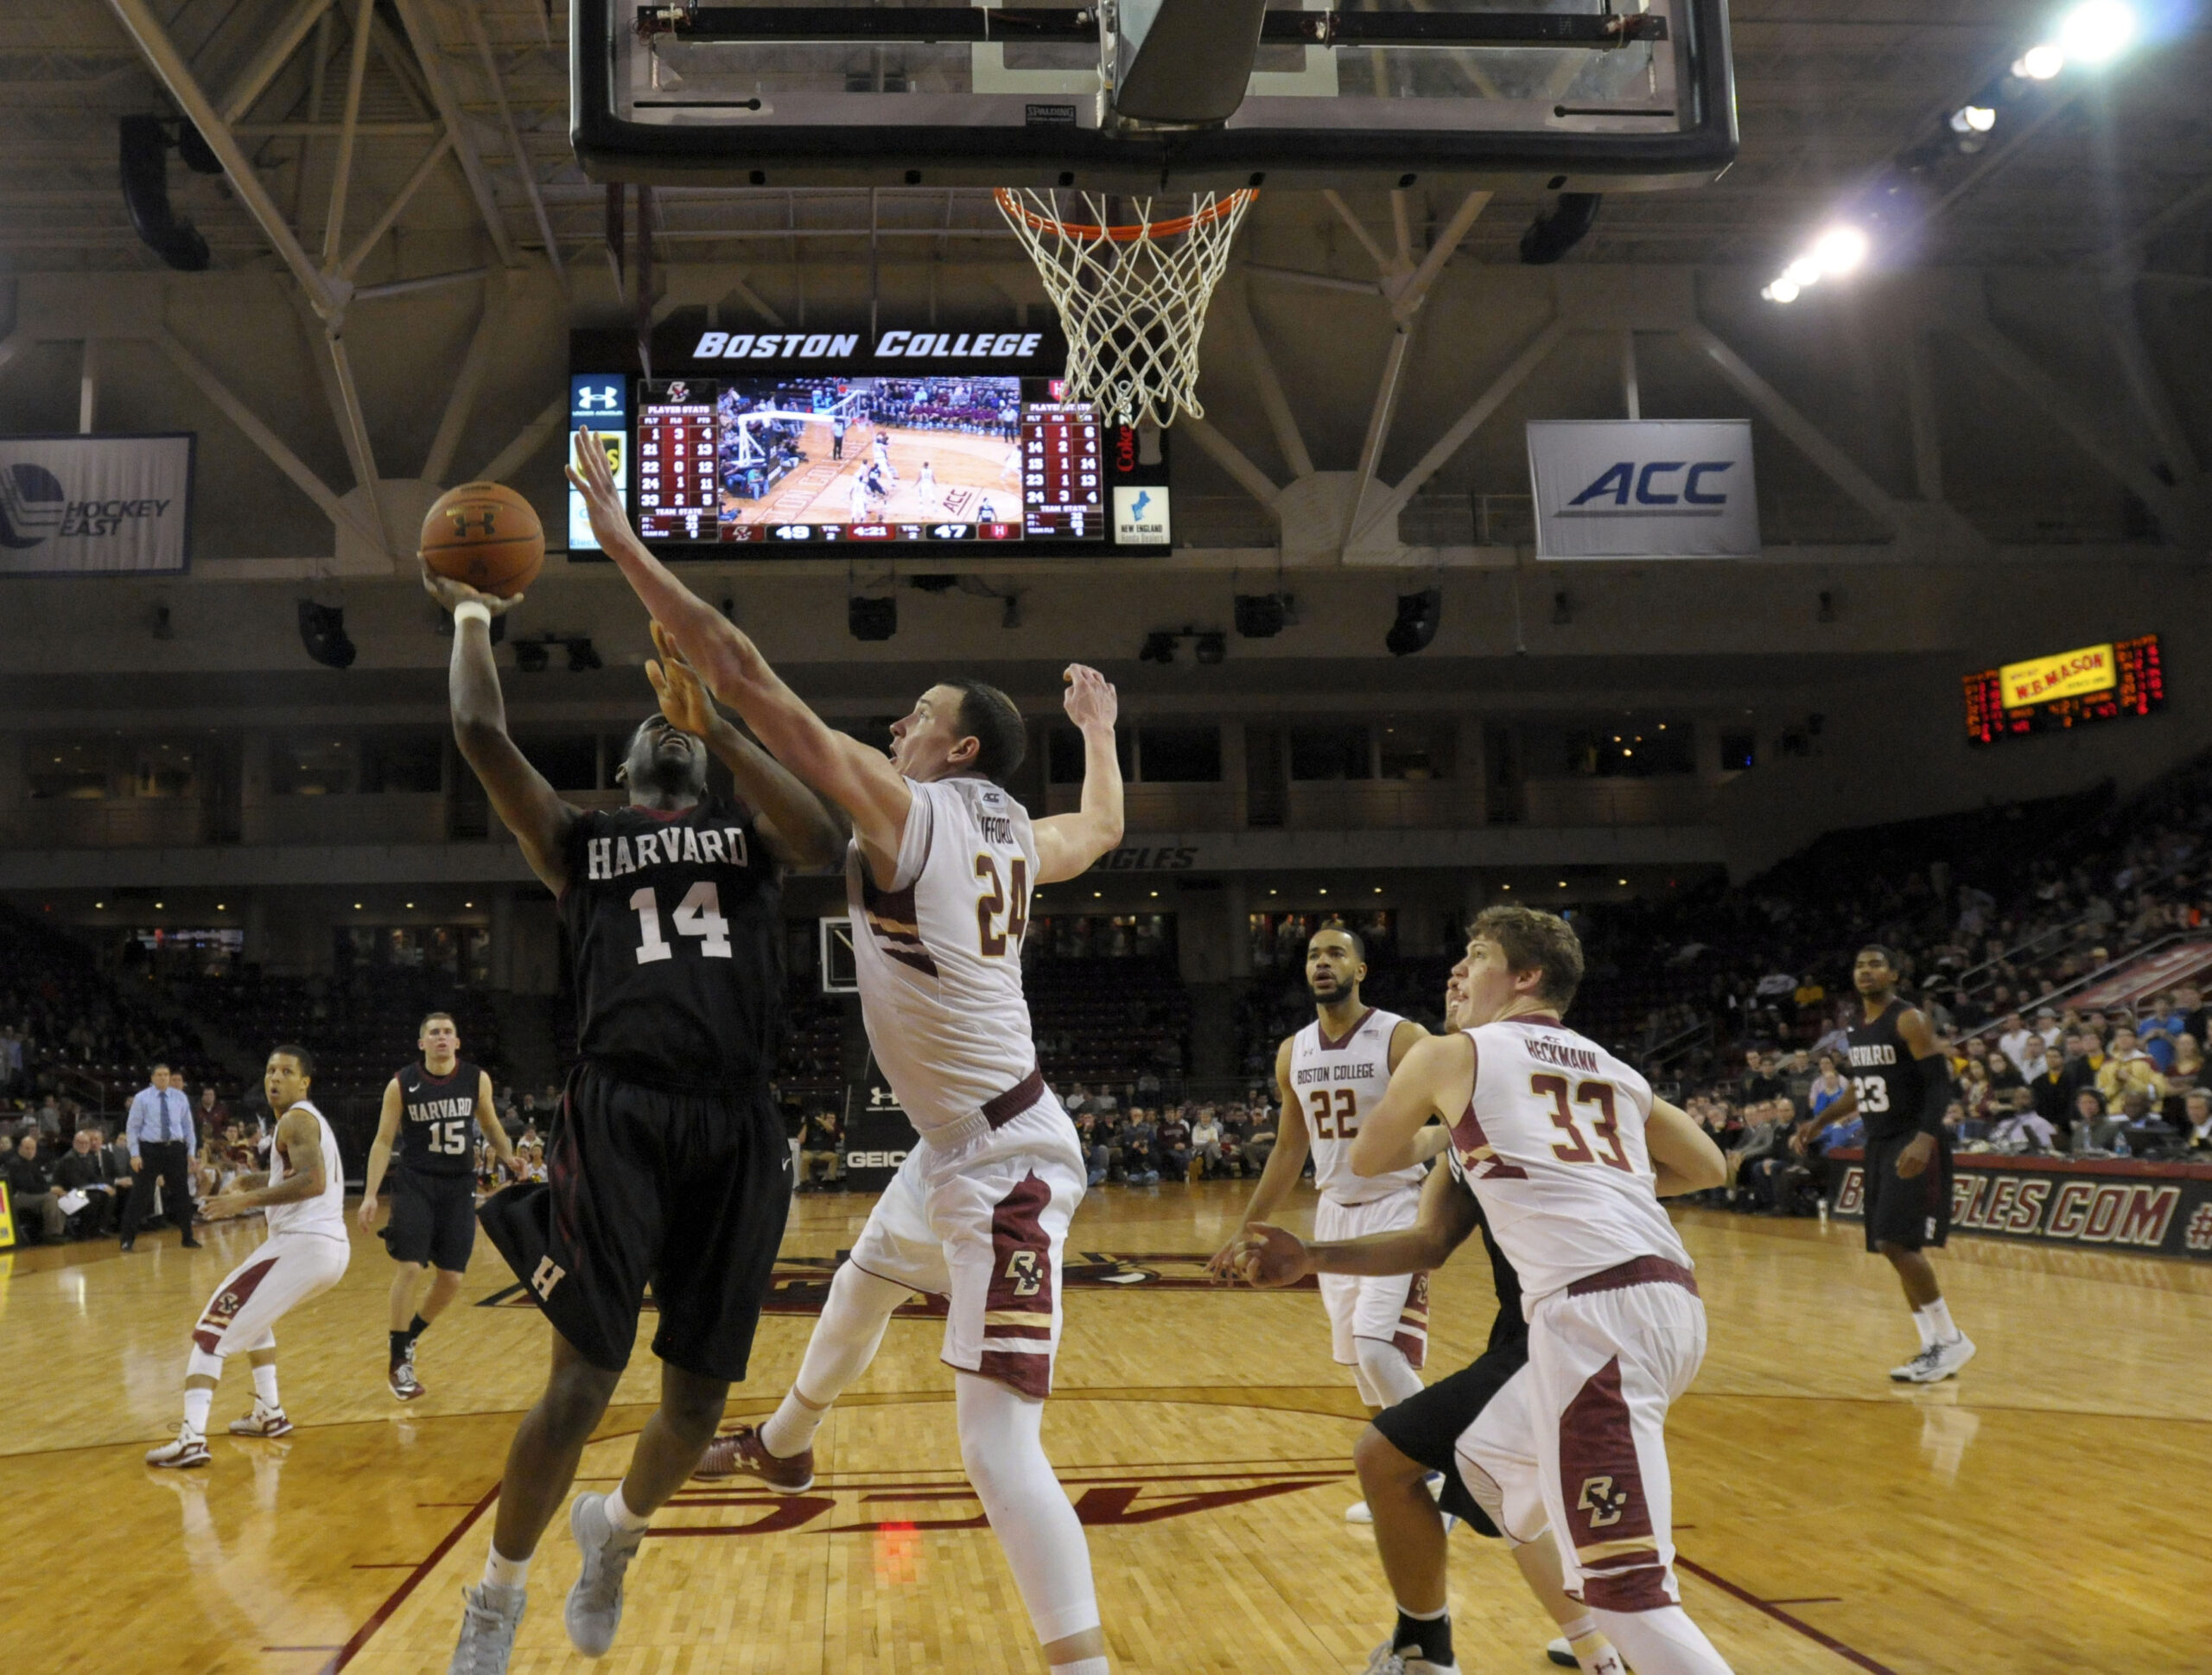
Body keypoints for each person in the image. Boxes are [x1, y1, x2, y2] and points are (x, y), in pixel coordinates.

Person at [572, 424, 1128, 1675]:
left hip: (1011, 1166)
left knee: (995, 1444)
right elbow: (1101, 826)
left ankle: (1082, 1665)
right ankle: (785, 1438)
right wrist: (1098, 726)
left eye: (919, 716)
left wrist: (620, 545)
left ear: (959, 748)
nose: (899, 720)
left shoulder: (913, 807)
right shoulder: (1011, 834)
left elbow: (747, 666)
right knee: (868, 1272)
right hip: (957, 1144)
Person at [426, 551, 842, 1672]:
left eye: (681, 742)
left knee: (701, 1402)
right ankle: (497, 1594)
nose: (664, 743)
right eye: (657, 736)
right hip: (618, 1115)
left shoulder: (753, 841)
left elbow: (829, 840)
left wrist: (721, 726)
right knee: (580, 1384)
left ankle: (616, 1533)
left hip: (737, 1124)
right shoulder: (583, 841)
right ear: (622, 772)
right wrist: (474, 611)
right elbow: (480, 735)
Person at [1349, 907, 1735, 1675]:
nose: (1457, 970)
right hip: (1662, 1298)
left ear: (1525, 978)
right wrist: (1590, 1177)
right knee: (1499, 1480)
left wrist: (1440, 1132)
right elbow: (1709, 1166)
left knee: (1634, 1599)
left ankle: (1605, 1640)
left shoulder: (1452, 1053)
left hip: (1595, 1318)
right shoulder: (1611, 1066)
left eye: (1477, 955)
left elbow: (1369, 1156)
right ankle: (1563, 1644)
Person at [1224, 1087, 1629, 1674]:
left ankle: (1437, 1653)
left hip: (1573, 1326)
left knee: (1408, 1457)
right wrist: (1311, 1255)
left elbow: (1369, 1158)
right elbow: (1429, 1242)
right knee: (1524, 1494)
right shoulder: (1474, 1138)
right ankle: (1591, 1645)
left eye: (1464, 985)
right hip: (1547, 1327)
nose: (1452, 988)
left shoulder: (1483, 1072)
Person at [1210, 924, 1444, 1523]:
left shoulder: (1401, 1037)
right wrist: (1248, 1226)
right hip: (1334, 1213)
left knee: (1376, 1348)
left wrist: (1438, 1167)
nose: (1322, 962)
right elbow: (1290, 1151)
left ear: (1360, 970)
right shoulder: (1294, 1051)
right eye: (1313, 955)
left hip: (1396, 1207)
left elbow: (1452, 1115)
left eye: (1336, 953)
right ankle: (1407, 1485)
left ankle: (1450, 1475)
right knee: (1364, 1371)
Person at [144, 1047, 350, 1469]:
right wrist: (250, 1182)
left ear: (304, 1082)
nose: (275, 1077)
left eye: (287, 1071)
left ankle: (191, 1438)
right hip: (324, 1248)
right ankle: (268, 1413)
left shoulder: (296, 1119)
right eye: (271, 1069)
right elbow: (294, 1176)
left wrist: (244, 1203)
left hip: (303, 1243)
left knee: (212, 1327)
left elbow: (312, 1181)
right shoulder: (307, 1121)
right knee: (256, 1321)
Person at [1794, 946, 1974, 1384]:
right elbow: (1862, 1087)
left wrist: (1925, 1139)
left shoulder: (1909, 1019)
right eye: (1859, 965)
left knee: (1898, 1243)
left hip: (1911, 1139)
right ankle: (1932, 1345)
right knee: (1889, 1246)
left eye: (1876, 964)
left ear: (1894, 973)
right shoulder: (1858, 1027)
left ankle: (1950, 1341)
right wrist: (1819, 1121)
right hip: (1878, 1142)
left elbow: (1939, 1084)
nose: (1866, 971)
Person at [358, 1012, 518, 1401]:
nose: (442, 1038)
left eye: (448, 1032)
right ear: (422, 1043)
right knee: (410, 1267)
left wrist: (508, 1156)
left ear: (457, 1042)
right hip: (415, 1183)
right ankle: (399, 1361)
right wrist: (368, 1195)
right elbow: (382, 1141)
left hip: (458, 1186)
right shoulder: (401, 1084)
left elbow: (491, 1123)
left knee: (452, 1280)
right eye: (434, 1033)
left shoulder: (475, 1078)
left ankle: (409, 1336)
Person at [121, 1062, 201, 1252]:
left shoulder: (180, 1097)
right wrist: (134, 1154)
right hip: (150, 1150)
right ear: (152, 1078)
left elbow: (188, 1126)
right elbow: (132, 1127)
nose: (163, 1078)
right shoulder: (142, 1098)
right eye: (159, 1075)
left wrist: (191, 1152)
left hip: (175, 1149)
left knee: (182, 1194)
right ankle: (127, 1239)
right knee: (140, 1195)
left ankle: (187, 1237)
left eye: (166, 1074)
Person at [55, 1126, 124, 1238]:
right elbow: (77, 1183)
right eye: (80, 1143)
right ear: (74, 1143)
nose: (84, 1145)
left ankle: (101, 1228)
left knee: (109, 1193)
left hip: (81, 1191)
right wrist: (100, 1187)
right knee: (94, 1196)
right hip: (67, 1194)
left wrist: (105, 1186)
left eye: (86, 1143)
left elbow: (94, 1178)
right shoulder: (70, 1159)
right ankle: (85, 1230)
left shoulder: (88, 1157)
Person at [4, 1131, 66, 1243]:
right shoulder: (15, 1163)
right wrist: (50, 1189)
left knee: (63, 1196)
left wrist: (56, 1189)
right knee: (50, 1197)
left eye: (33, 1149)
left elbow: (41, 1183)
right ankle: (51, 1234)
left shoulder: (32, 1163)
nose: (30, 1151)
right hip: (17, 1197)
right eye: (27, 1148)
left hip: (31, 1195)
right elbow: (27, 1187)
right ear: (20, 1148)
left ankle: (61, 1231)